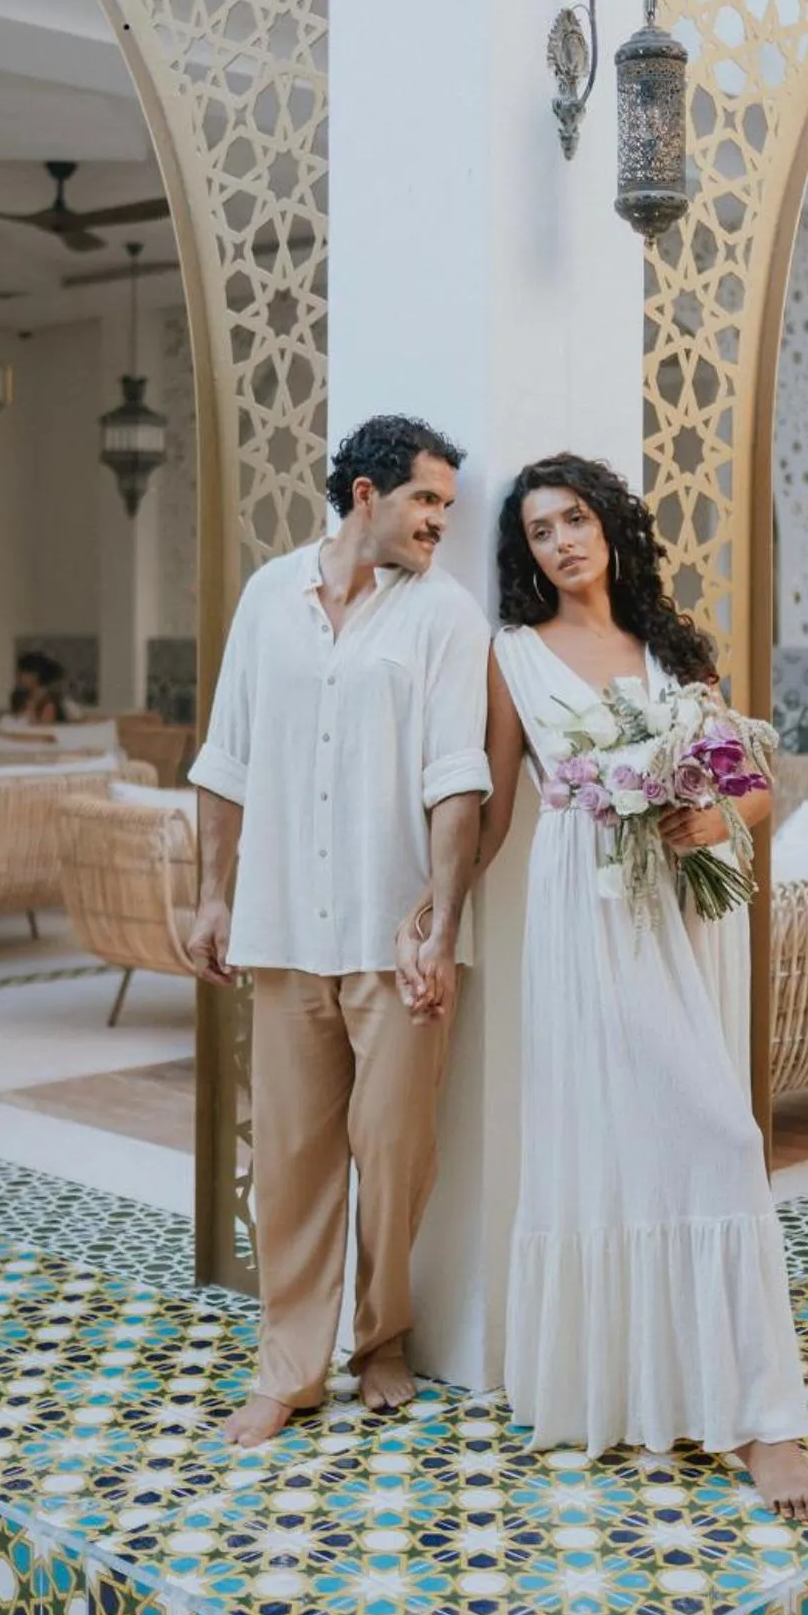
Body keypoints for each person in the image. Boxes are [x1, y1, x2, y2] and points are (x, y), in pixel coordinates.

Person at [401, 454, 808, 1523]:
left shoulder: (673, 648)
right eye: (540, 529)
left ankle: (750, 1413)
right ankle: (728, 1410)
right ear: (528, 553)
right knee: (672, 1140)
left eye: (576, 518)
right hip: (586, 913)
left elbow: (753, 786)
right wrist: (438, 909)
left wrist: (718, 817)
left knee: (712, 1136)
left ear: (610, 529)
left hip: (683, 911)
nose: (561, 540)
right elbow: (497, 806)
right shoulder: (512, 655)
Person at [188, 414, 491, 1447]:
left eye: (448, 505)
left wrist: (440, 924)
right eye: (426, 500)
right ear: (365, 495)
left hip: (391, 935)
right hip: (282, 927)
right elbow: (225, 759)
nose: (439, 521)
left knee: (395, 1149)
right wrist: (214, 893)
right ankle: (289, 1368)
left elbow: (459, 780)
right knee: (293, 1157)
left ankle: (383, 1336)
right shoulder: (269, 596)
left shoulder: (446, 615)